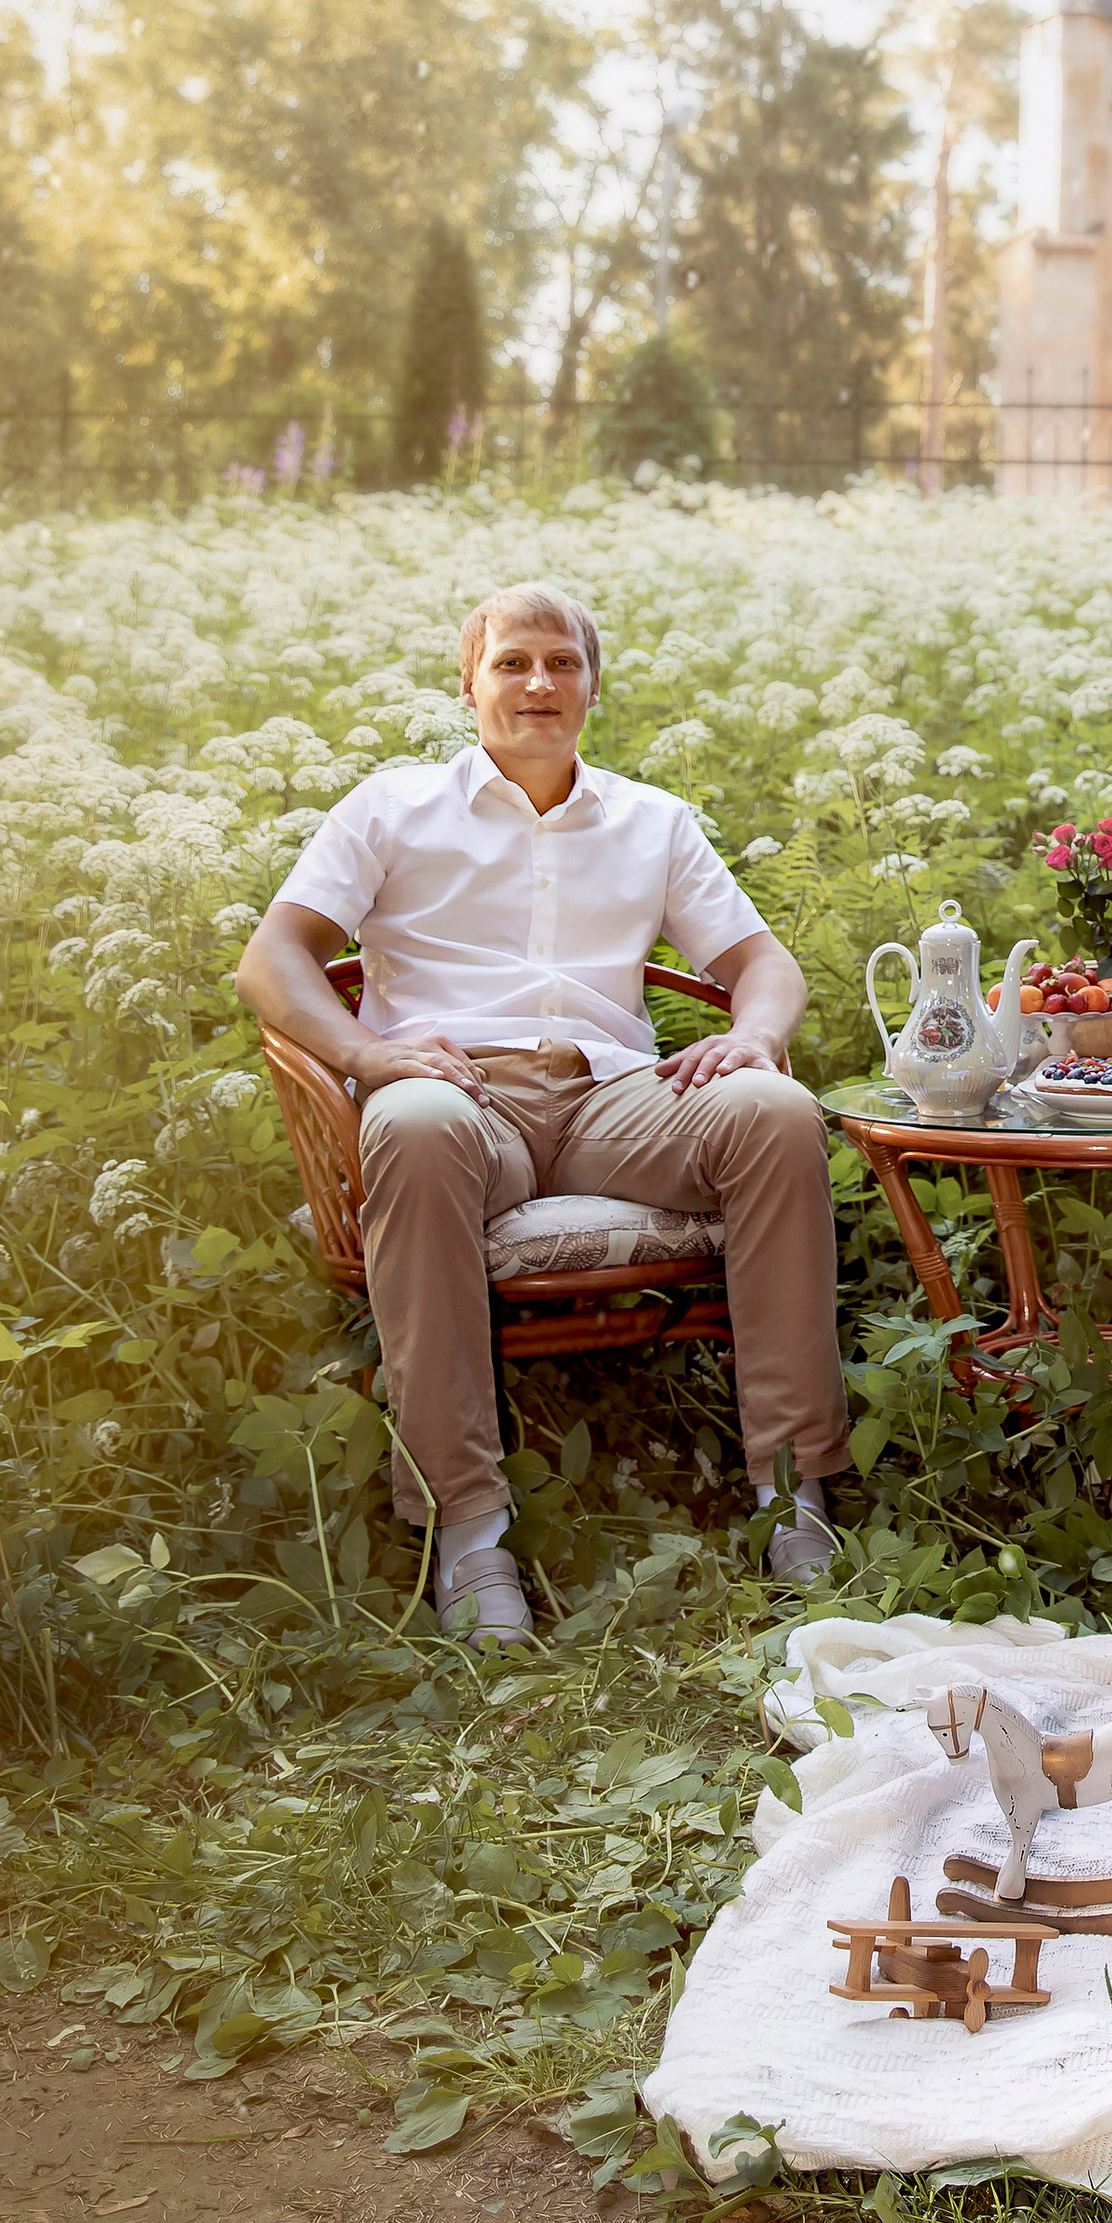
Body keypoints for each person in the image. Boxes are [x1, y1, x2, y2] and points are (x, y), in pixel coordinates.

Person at [235, 581, 850, 1642]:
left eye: (562, 662)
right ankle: (467, 1525)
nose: (538, 682)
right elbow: (271, 958)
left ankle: (790, 1493)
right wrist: (365, 1053)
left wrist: (752, 1035)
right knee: (413, 1125)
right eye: (513, 661)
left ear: (592, 685)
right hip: (459, 1094)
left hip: (616, 1099)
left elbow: (762, 963)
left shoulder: (653, 821)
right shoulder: (392, 806)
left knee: (775, 1110)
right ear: (468, 683)